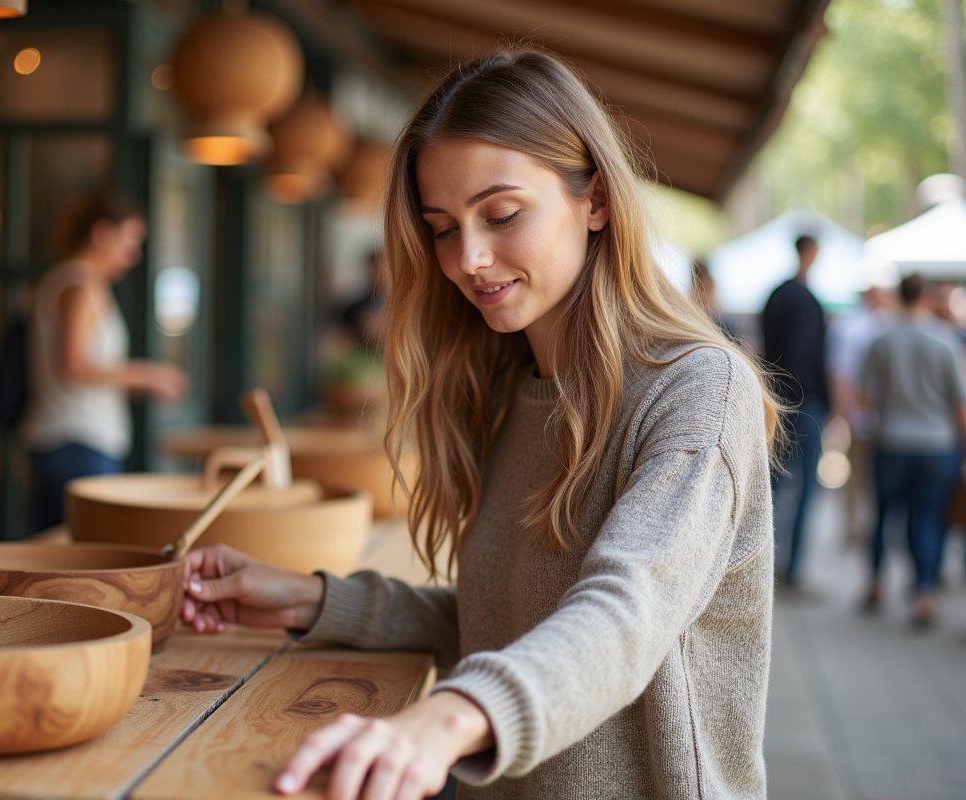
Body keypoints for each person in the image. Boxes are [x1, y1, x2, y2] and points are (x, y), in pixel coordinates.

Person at [180, 48, 782, 800]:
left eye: (501, 215)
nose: (467, 259)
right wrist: (311, 599)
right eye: (441, 227)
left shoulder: (695, 389)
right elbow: (500, 619)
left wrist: (442, 720)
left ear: (595, 199)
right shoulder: (506, 385)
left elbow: (625, 615)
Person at [22, 192, 189, 531]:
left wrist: (127, 381)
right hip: (77, 441)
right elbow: (73, 365)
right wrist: (146, 375)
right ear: (102, 234)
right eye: (129, 242)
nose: (133, 255)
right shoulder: (82, 284)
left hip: (67, 439)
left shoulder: (67, 279)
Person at [858, 274, 966, 627]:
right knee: (929, 519)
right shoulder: (946, 338)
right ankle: (923, 593)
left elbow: (865, 395)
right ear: (926, 296)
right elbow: (959, 402)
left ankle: (875, 581)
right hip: (936, 443)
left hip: (891, 439)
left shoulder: (882, 338)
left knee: (884, 514)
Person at [761, 234, 829, 588]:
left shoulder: (776, 295)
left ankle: (761, 564)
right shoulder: (804, 299)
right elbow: (803, 353)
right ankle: (793, 568)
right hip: (803, 404)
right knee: (803, 489)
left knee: (770, 487)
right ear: (811, 251)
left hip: (776, 401)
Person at [827, 285, 893, 543]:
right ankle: (855, 528)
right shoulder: (851, 327)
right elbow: (840, 373)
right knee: (857, 476)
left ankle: (869, 528)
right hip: (863, 415)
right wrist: (843, 412)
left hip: (883, 417)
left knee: (873, 477)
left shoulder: (888, 324)